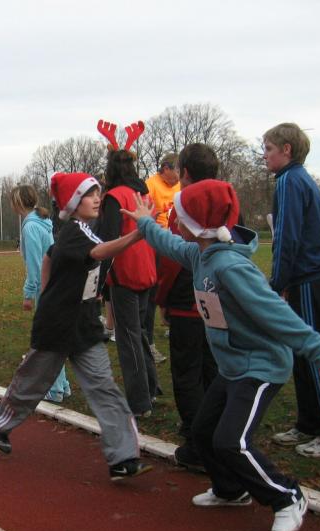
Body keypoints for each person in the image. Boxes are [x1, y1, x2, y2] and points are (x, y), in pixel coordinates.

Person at [121, 180, 320, 531]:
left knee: (231, 441)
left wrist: (319, 351)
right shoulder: (200, 254)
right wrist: (146, 222)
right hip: (233, 367)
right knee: (203, 432)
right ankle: (230, 490)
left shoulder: (230, 267)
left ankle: (287, 496)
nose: (175, 221)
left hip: (261, 367)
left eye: (180, 215)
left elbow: (275, 311)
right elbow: (170, 244)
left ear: (198, 224)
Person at [0, 172, 150, 481]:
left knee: (104, 387)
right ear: (74, 203)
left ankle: (123, 457)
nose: (97, 199)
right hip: (57, 325)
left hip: (84, 325)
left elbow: (51, 257)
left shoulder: (81, 230)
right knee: (34, 383)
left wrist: (59, 288)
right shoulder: (75, 231)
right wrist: (139, 235)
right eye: (90, 194)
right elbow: (99, 252)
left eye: (98, 193)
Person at [263, 123, 320, 459]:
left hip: (310, 278)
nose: (265, 155)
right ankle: (309, 423)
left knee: (314, 352)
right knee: (301, 352)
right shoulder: (294, 179)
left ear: (286, 149)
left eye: (269, 149)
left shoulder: (291, 181)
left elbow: (287, 237)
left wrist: (277, 283)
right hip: (306, 278)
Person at [156, 143, 221, 470]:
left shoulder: (183, 205)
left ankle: (198, 442)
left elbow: (172, 259)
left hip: (188, 300)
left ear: (184, 173)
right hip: (218, 299)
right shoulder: (227, 200)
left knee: (187, 373)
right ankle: (216, 431)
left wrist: (163, 298)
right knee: (213, 368)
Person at [95, 119, 158, 419]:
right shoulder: (143, 194)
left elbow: (107, 240)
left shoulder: (114, 197)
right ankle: (150, 388)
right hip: (148, 268)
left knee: (128, 337)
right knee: (140, 332)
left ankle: (139, 401)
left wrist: (98, 283)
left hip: (126, 271)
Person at [11, 184, 71, 403]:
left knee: (46, 341)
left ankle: (55, 389)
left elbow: (36, 265)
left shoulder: (30, 227)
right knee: (53, 338)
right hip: (55, 283)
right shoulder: (42, 222)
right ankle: (62, 385)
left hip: (46, 288)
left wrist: (29, 293)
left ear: (17, 203)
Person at [144, 153, 180, 364]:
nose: (179, 176)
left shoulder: (179, 186)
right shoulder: (150, 185)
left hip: (176, 243)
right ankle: (148, 343)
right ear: (165, 168)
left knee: (177, 287)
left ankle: (173, 324)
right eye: (177, 170)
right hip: (156, 244)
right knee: (153, 292)